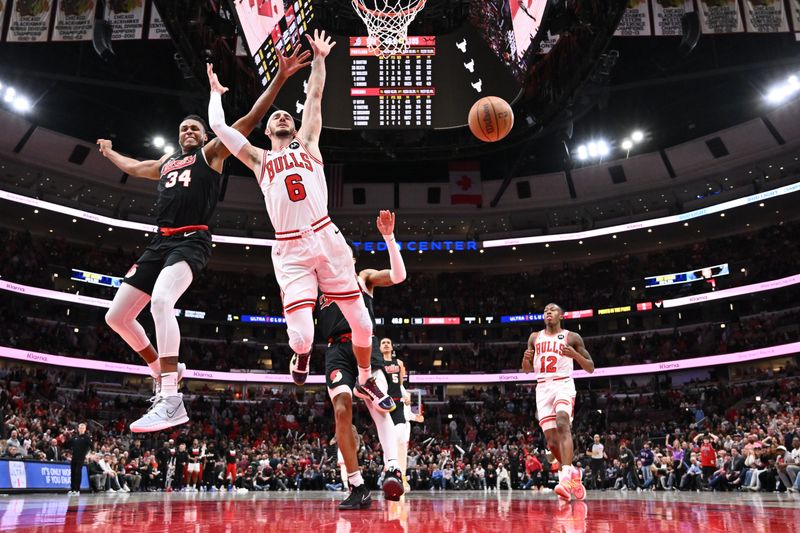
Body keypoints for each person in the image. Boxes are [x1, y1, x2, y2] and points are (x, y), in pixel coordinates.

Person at [98, 47, 312, 433]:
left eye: (195, 128)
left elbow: (248, 121)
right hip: (158, 242)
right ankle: (164, 368)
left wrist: (279, 79)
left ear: (204, 134)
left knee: (162, 301)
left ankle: (170, 398)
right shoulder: (165, 163)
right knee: (117, 317)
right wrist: (112, 153)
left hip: (191, 240)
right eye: (184, 129)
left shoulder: (211, 154)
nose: (189, 132)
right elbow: (133, 166)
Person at [205, 31, 388, 411]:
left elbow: (316, 97)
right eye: (277, 117)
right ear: (269, 131)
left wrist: (320, 58)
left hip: (325, 234)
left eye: (287, 113)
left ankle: (367, 380)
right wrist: (216, 95)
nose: (284, 115)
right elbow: (221, 130)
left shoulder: (307, 143)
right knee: (303, 336)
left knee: (365, 326)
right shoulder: (258, 159)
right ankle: (302, 356)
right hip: (289, 247)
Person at [318, 212, 408, 509]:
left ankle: (393, 467)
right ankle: (356, 485)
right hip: (335, 351)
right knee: (341, 411)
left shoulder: (363, 277)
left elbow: (398, 276)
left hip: (364, 346)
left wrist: (389, 238)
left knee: (379, 406)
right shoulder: (320, 283)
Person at [522, 303, 595, 501]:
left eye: (552, 310)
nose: (548, 312)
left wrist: (575, 355)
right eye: (545, 310)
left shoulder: (572, 337)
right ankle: (574, 474)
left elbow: (590, 368)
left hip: (563, 383)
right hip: (542, 387)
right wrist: (525, 359)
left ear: (561, 316)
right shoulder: (534, 337)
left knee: (563, 422)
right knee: (551, 441)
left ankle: (564, 477)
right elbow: (527, 370)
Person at [64, 422, 91, 495]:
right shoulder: (75, 437)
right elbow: (66, 444)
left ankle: (77, 490)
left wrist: (89, 454)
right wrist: (66, 435)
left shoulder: (87, 438)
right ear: (78, 429)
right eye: (80, 428)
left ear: (85, 429)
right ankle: (72, 489)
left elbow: (91, 447)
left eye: (83, 428)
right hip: (74, 458)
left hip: (81, 458)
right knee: (72, 473)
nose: (81, 429)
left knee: (77, 472)